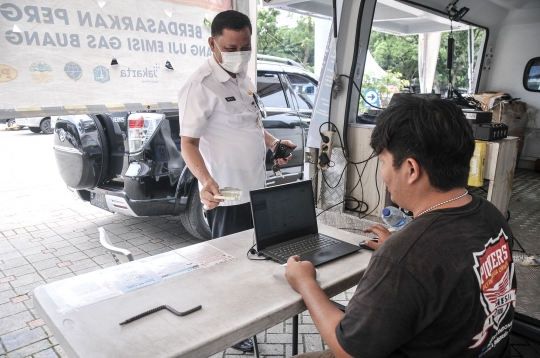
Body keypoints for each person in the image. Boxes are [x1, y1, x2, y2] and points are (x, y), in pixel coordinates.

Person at [285, 95, 517, 358]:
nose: (383, 172)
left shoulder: (405, 257)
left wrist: (305, 282)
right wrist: (401, 254)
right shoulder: (490, 215)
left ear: (410, 169)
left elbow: (349, 351)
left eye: (383, 161)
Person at [178, 10, 295, 352]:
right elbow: (188, 143)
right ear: (212, 43)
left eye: (245, 46)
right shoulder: (199, 86)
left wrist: (273, 144)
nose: (239, 53)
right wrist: (205, 180)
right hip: (227, 192)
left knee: (254, 258)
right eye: (231, 47)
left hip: (257, 189)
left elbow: (251, 125)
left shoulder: (244, 76)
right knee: (228, 265)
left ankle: (251, 313)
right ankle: (231, 327)